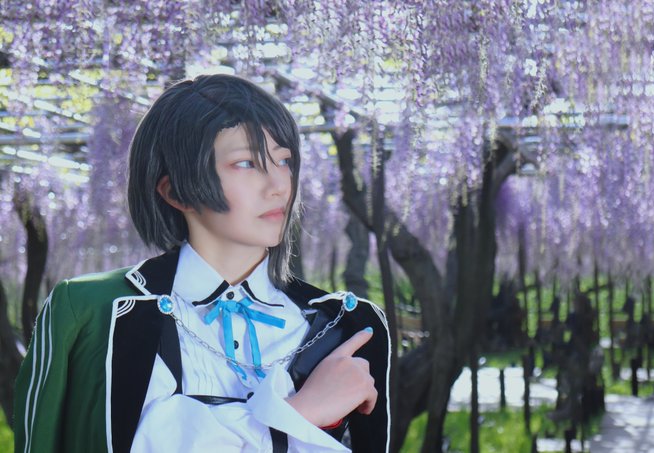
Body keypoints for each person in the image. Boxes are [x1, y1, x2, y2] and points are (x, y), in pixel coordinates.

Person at [14, 74, 390, 452]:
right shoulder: (93, 311)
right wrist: (298, 413)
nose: (279, 185)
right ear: (176, 191)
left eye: (284, 160)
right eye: (246, 163)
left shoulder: (345, 324)